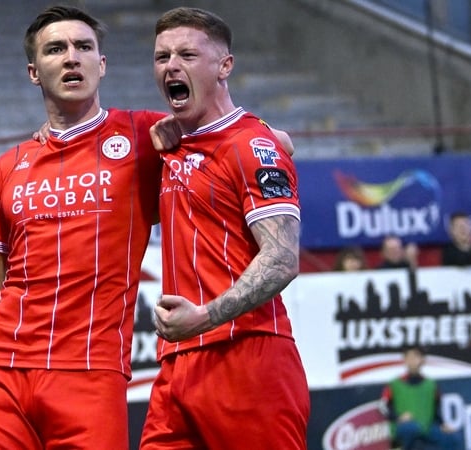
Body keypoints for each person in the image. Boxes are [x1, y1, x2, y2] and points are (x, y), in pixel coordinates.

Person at [0, 5, 166, 448]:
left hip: (91, 373)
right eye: (56, 49)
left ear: (101, 65)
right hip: (0, 373)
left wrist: (259, 141)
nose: (71, 58)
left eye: (84, 47)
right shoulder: (8, 168)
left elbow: (245, 142)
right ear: (34, 72)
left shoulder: (145, 136)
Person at [139, 7, 309, 449]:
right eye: (162, 57)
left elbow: (282, 259)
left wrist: (205, 317)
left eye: (187, 55)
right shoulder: (167, 142)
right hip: (176, 364)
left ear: (224, 65)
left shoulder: (253, 144)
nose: (171, 65)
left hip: (247, 354)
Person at [379, 346, 462, 450]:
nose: (412, 361)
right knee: (410, 429)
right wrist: (398, 417)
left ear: (423, 360)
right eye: (409, 357)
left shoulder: (431, 385)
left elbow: (436, 409)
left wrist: (442, 424)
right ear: (404, 360)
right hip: (404, 427)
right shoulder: (394, 384)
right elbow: (383, 406)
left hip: (427, 427)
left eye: (416, 357)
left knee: (453, 438)